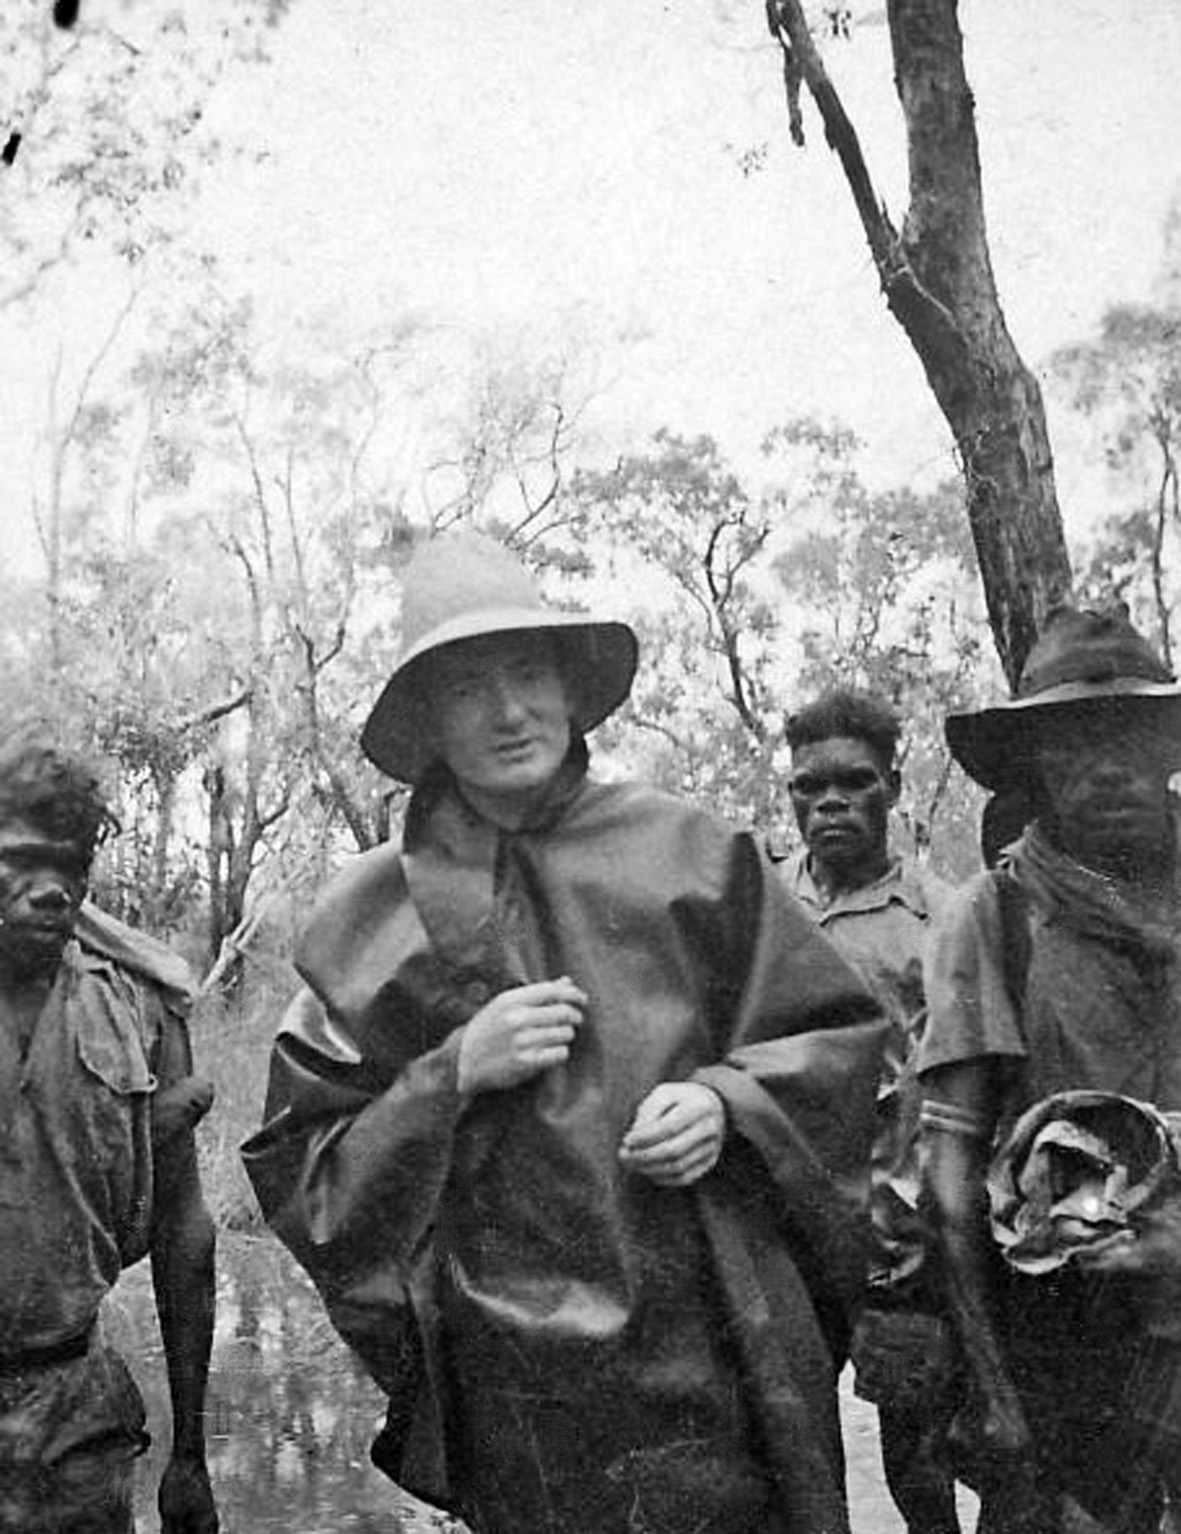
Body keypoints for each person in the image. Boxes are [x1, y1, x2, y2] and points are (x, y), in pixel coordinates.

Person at [242, 531, 888, 1534]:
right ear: (427, 721)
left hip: (717, 1359)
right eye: (466, 689)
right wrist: (452, 1071)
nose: (507, 712)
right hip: (517, 1393)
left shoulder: (690, 852)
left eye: (526, 673)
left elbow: (838, 1041)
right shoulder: (369, 912)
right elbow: (305, 1172)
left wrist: (727, 1101)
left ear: (568, 687)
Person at [919, 606, 1181, 1534]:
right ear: (1034, 765)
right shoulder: (993, 917)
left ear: (1166, 748)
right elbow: (947, 1192)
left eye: (1129, 737)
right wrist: (994, 1395)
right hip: (1067, 1346)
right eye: (1073, 744)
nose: (1107, 768)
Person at [0, 731, 219, 1533]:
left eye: (72, 868)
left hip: (75, 1422)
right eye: (21, 860)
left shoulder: (141, 1007)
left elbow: (184, 1233)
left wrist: (189, 1452)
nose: (52, 891)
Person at [774, 689, 961, 1534]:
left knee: (912, 1459)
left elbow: (957, 1095)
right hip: (780, 1239)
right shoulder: (762, 905)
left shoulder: (942, 919)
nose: (830, 803)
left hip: (898, 1245)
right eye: (809, 788)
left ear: (892, 783)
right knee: (793, 1456)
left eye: (853, 783)